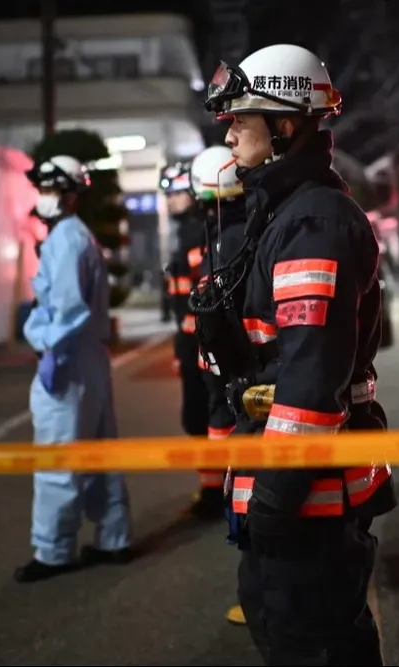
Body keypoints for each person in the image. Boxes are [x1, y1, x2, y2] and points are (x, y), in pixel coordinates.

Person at [194, 44, 398, 665]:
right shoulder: (281, 211)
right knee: (288, 628)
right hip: (291, 490)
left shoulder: (315, 221)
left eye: (241, 119)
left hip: (308, 500)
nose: (228, 131)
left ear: (285, 125)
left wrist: (275, 502)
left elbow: (310, 385)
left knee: (310, 645)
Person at [15, 155, 133, 584]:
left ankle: (53, 550)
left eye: (48, 190)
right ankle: (113, 537)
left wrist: (47, 348)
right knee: (101, 452)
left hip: (66, 358)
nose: (43, 198)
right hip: (90, 358)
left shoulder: (64, 240)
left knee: (58, 456)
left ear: (67, 194)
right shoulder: (78, 236)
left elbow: (65, 309)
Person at [188, 144, 251, 627]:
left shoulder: (228, 239)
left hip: (245, 381)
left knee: (256, 498)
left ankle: (265, 600)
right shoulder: (247, 224)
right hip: (241, 375)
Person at [160, 159, 221, 518]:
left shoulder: (196, 231)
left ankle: (215, 489)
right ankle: (213, 485)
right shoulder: (187, 230)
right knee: (200, 415)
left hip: (197, 337)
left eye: (176, 192)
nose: (170, 200)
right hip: (190, 336)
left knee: (204, 414)